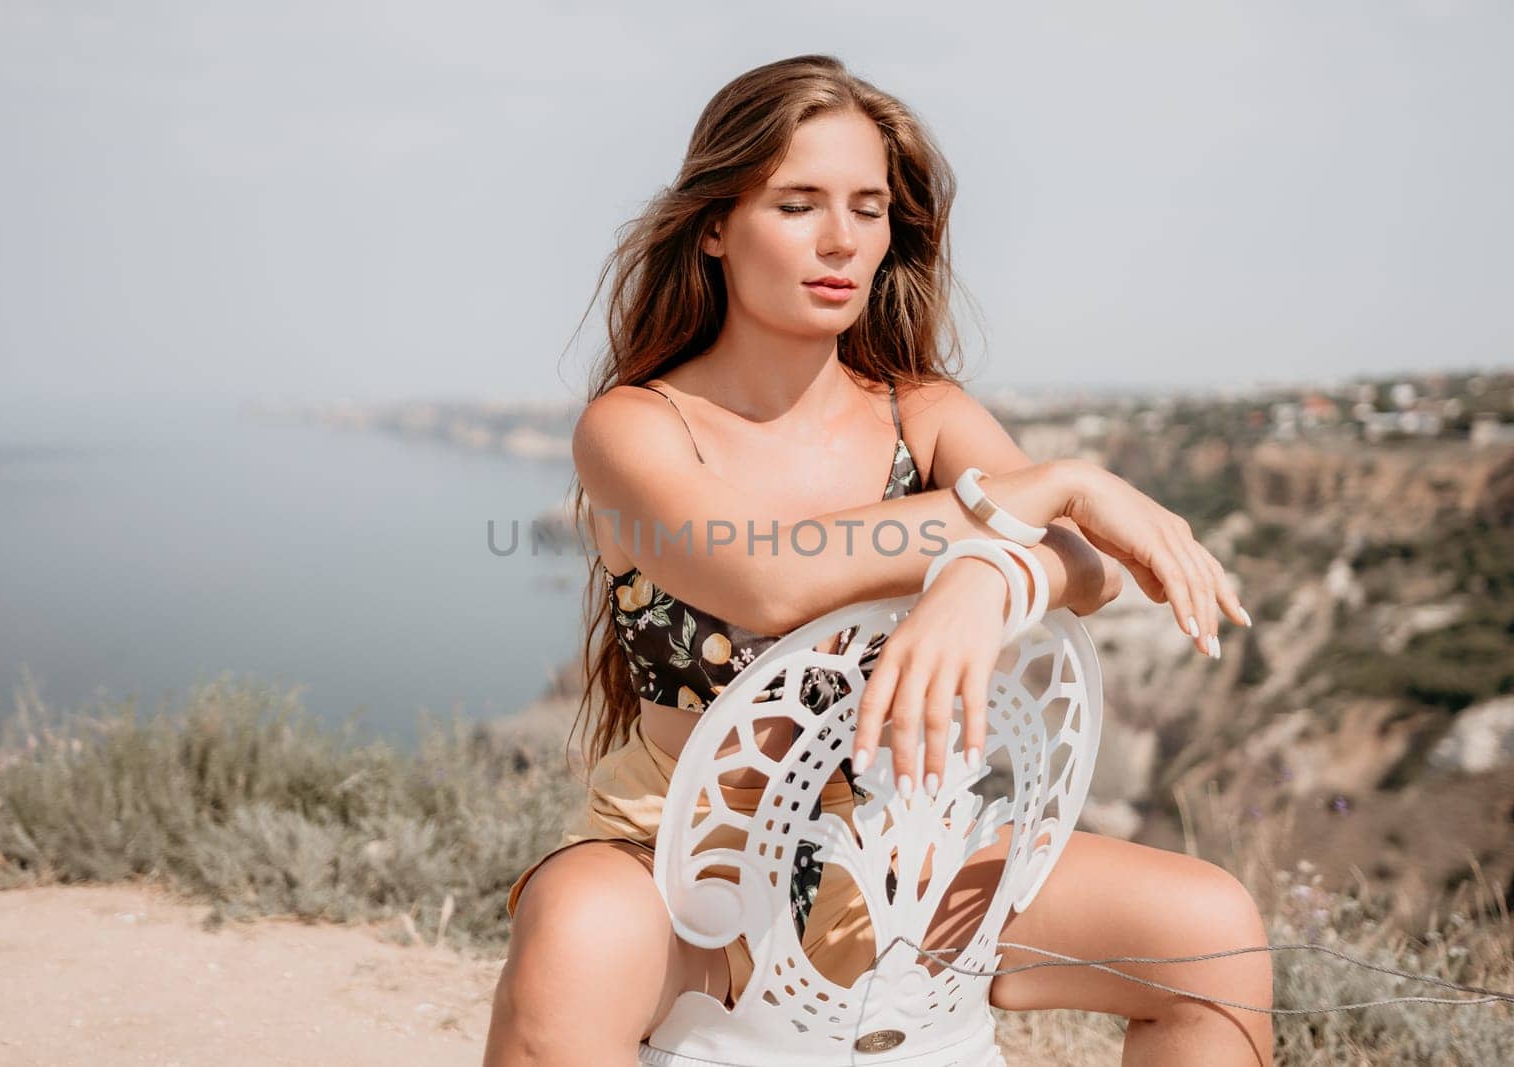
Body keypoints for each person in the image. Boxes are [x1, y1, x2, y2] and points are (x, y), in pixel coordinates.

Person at [484, 54, 1270, 1067]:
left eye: (867, 206)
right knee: (574, 936)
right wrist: (1032, 494)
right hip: (691, 859)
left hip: (913, 856)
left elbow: (1086, 568)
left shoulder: (924, 414)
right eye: (797, 202)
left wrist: (983, 581)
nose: (840, 240)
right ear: (715, 224)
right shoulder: (636, 425)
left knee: (1207, 934)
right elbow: (766, 572)